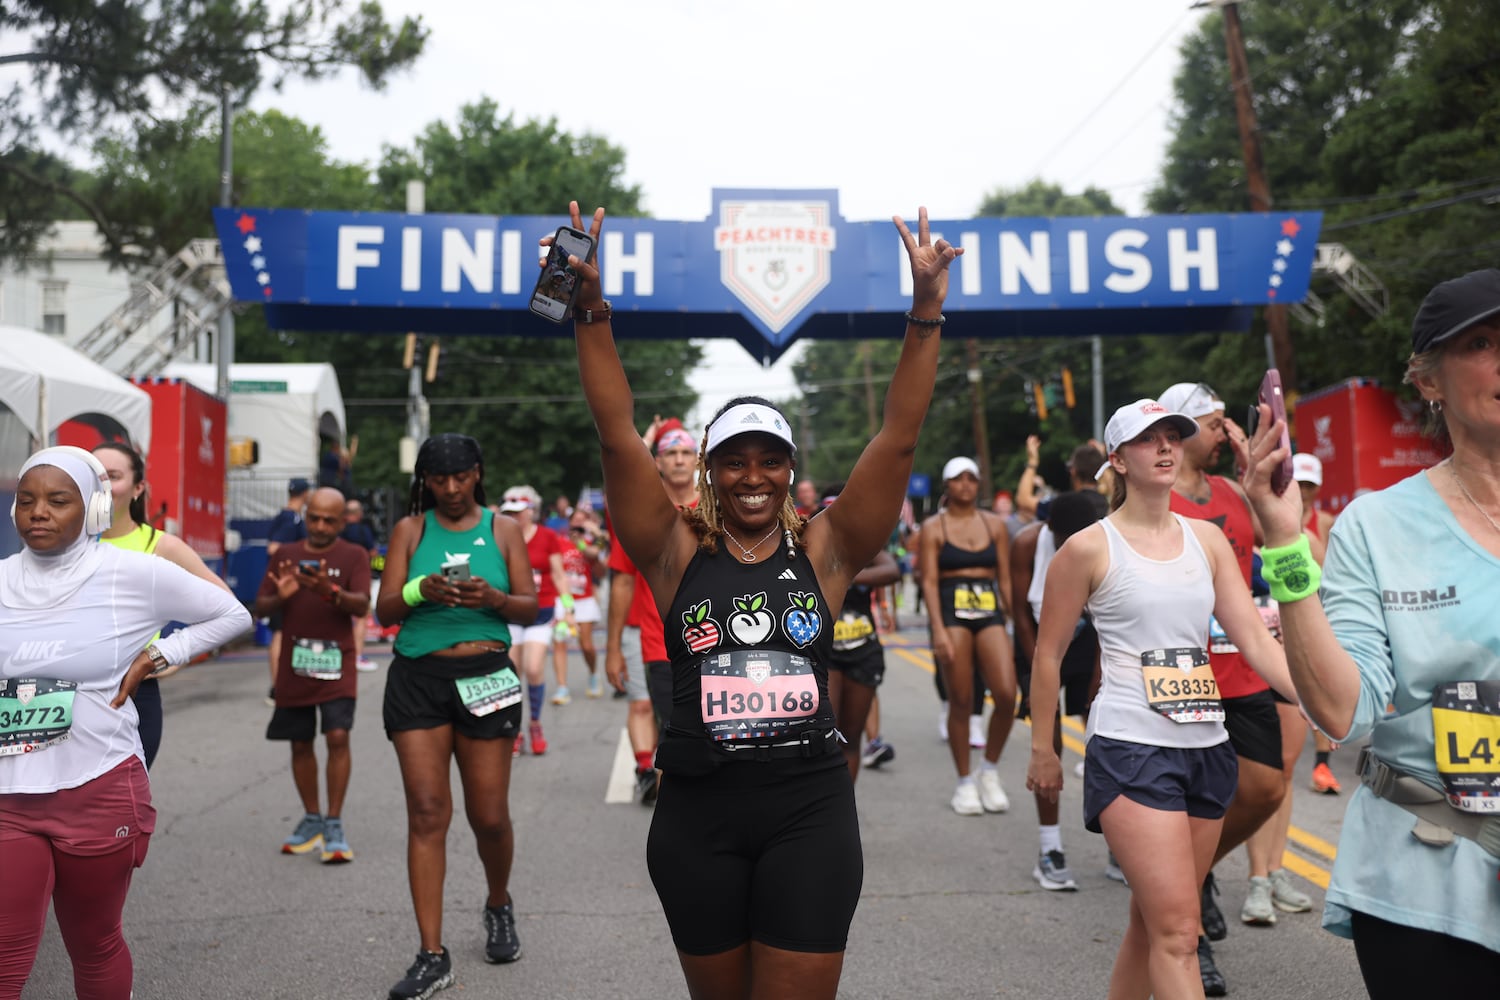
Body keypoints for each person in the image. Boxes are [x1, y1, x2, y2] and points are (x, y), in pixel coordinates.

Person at [570, 200, 957, 998]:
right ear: (709, 469)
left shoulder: (828, 547)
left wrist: (925, 310)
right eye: (734, 460)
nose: (753, 476)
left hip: (807, 812)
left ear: (790, 468)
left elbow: (899, 438)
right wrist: (591, 312)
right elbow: (615, 433)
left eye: (770, 460)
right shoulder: (674, 552)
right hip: (697, 819)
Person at [1242, 269, 1500, 996]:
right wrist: (1288, 547)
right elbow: (1341, 712)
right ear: (1429, 382)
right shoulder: (1377, 526)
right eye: (1481, 343)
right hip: (1429, 871)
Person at [1026, 400, 1297, 1000]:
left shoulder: (1207, 540)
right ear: (1117, 460)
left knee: (1150, 925)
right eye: (1148, 441)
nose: (1166, 448)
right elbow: (1047, 656)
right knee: (1179, 932)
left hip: (1206, 742)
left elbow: (1252, 635)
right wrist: (1043, 750)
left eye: (1174, 436)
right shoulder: (1089, 548)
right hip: (1129, 745)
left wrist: (1320, 693)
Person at [0, 445, 250, 1000]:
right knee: (5, 952)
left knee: (93, 942)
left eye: (57, 501)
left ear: (91, 509)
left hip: (99, 783)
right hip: (8, 796)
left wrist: (160, 655)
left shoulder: (133, 572)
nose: (37, 512)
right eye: (26, 501)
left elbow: (232, 613)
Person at [373, 434, 539, 999]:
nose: (450, 489)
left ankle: (499, 904)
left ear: (477, 473)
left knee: (489, 815)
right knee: (426, 812)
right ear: (423, 482)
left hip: (487, 674)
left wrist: (491, 598)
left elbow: (529, 605)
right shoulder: (409, 531)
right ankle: (431, 954)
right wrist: (424, 588)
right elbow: (386, 608)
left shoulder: (504, 529)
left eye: (460, 477)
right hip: (419, 676)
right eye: (438, 480)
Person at [1157, 378, 1287, 992]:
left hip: (1241, 668)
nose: (1225, 431)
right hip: (1179, 676)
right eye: (1214, 423)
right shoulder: (1153, 498)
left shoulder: (1234, 491)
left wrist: (1259, 472)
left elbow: (1284, 538)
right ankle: (1192, 940)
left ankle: (1193, 873)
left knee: (1264, 789)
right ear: (1181, 431)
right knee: (1189, 803)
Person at [92, 441, 235, 769]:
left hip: (134, 694)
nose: (102, 486)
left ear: (138, 487)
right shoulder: (66, 543)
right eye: (94, 475)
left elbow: (227, 609)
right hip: (69, 695)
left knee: (123, 807)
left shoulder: (160, 546)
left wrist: (168, 657)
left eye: (113, 476)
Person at [254, 487, 371, 864]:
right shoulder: (286, 555)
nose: (320, 526)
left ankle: (334, 823)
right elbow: (262, 605)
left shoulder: (353, 555)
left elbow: (361, 604)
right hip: (295, 663)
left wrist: (329, 590)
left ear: (343, 521)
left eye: (329, 520)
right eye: (315, 517)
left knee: (338, 736)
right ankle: (311, 818)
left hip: (337, 662)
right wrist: (284, 594)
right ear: (307, 514)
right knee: (300, 742)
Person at [1011, 485, 1107, 892]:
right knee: (1047, 743)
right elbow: (1017, 607)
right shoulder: (1028, 542)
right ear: (1050, 528)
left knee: (1107, 740)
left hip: (1092, 637)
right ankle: (1050, 849)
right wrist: (1038, 674)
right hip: (1039, 637)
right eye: (1065, 540)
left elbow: (1113, 616)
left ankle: (1122, 846)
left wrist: (1101, 675)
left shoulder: (1104, 540)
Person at [606, 417, 698, 805]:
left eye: (685, 453)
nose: (678, 460)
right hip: (659, 643)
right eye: (670, 453)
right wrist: (612, 648)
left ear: (698, 460)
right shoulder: (640, 511)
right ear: (657, 461)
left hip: (717, 642)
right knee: (675, 734)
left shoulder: (720, 508)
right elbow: (623, 580)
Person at [919, 456, 1016, 816]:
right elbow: (928, 580)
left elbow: (1004, 577)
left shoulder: (994, 525)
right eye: (958, 479)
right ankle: (964, 782)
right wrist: (938, 630)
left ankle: (989, 769)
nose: (965, 485)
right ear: (947, 485)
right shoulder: (934, 527)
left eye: (971, 479)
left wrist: (1013, 619)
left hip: (988, 606)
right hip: (950, 606)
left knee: (1006, 694)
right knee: (960, 699)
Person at [819, 485, 902, 783]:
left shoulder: (865, 547)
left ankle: (843, 807)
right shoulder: (811, 546)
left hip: (862, 650)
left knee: (851, 738)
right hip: (825, 654)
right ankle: (820, 809)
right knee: (828, 735)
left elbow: (892, 570)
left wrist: (845, 577)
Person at [498, 484, 573, 750]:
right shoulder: (500, 537)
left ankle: (535, 723)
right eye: (509, 512)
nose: (514, 517)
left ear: (531, 510)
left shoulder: (547, 536)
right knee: (510, 671)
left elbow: (558, 574)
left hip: (541, 612)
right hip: (511, 611)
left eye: (519, 512)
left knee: (533, 668)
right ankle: (514, 728)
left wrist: (568, 608)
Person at [1291, 453, 1341, 795]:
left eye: (1309, 484)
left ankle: (1322, 764)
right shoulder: (1267, 518)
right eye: (1299, 483)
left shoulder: (1324, 523)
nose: (1304, 490)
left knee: (1317, 686)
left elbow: (1338, 572)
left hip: (1318, 615)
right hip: (1276, 616)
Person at [266, 478, 311, 702]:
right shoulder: (290, 518)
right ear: (306, 493)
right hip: (284, 584)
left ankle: (287, 685)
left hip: (290, 584)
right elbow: (273, 548)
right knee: (281, 633)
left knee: (288, 633)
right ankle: (277, 688)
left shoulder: (290, 517)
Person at [562, 507, 605, 698]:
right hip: (563, 600)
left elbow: (601, 570)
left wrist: (582, 544)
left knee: (586, 645)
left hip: (585, 600)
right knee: (559, 643)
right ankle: (562, 686)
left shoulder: (591, 543)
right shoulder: (559, 543)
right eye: (575, 520)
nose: (578, 523)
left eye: (582, 520)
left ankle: (594, 674)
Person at [341, 498, 381, 672]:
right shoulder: (364, 531)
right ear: (358, 514)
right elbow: (373, 553)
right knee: (362, 615)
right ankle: (356, 656)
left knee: (341, 615)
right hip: (359, 578)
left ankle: (342, 655)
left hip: (340, 577)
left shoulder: (339, 531)